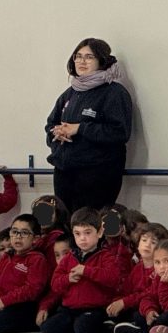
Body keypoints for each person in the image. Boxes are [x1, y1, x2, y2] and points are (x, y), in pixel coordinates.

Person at [45, 38, 133, 212]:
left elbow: (119, 132)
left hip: (98, 174)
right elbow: (50, 124)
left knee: (90, 227)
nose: (81, 61)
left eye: (88, 57)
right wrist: (57, 132)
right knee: (66, 227)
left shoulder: (114, 93)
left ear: (101, 61)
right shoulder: (69, 93)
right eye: (78, 56)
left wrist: (80, 128)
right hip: (65, 171)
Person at [40, 208, 124, 333]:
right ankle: (75, 326)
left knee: (84, 329)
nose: (82, 238)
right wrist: (67, 278)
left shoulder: (106, 256)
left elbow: (113, 279)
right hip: (69, 309)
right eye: (77, 234)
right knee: (47, 329)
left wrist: (86, 271)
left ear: (100, 232)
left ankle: (105, 325)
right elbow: (55, 283)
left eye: (87, 233)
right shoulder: (69, 257)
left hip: (94, 308)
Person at [0, 215, 50, 333]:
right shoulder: (6, 257)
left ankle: (32, 324)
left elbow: (32, 289)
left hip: (23, 304)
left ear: (35, 239)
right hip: (1, 302)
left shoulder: (36, 259)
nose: (18, 237)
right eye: (14, 232)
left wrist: (6, 300)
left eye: (24, 233)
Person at [111, 223, 168, 333]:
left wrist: (125, 302)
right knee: (135, 315)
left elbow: (152, 295)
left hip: (163, 311)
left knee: (163, 318)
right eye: (144, 240)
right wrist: (118, 302)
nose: (147, 245)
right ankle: (147, 331)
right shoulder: (137, 268)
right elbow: (132, 293)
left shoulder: (162, 271)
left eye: (153, 242)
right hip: (148, 309)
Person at [130, 239, 168, 333]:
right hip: (165, 315)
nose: (162, 267)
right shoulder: (158, 278)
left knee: (167, 317)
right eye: (157, 262)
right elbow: (148, 297)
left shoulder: (164, 280)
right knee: (138, 315)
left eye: (167, 261)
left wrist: (165, 284)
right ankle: (160, 332)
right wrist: (149, 310)